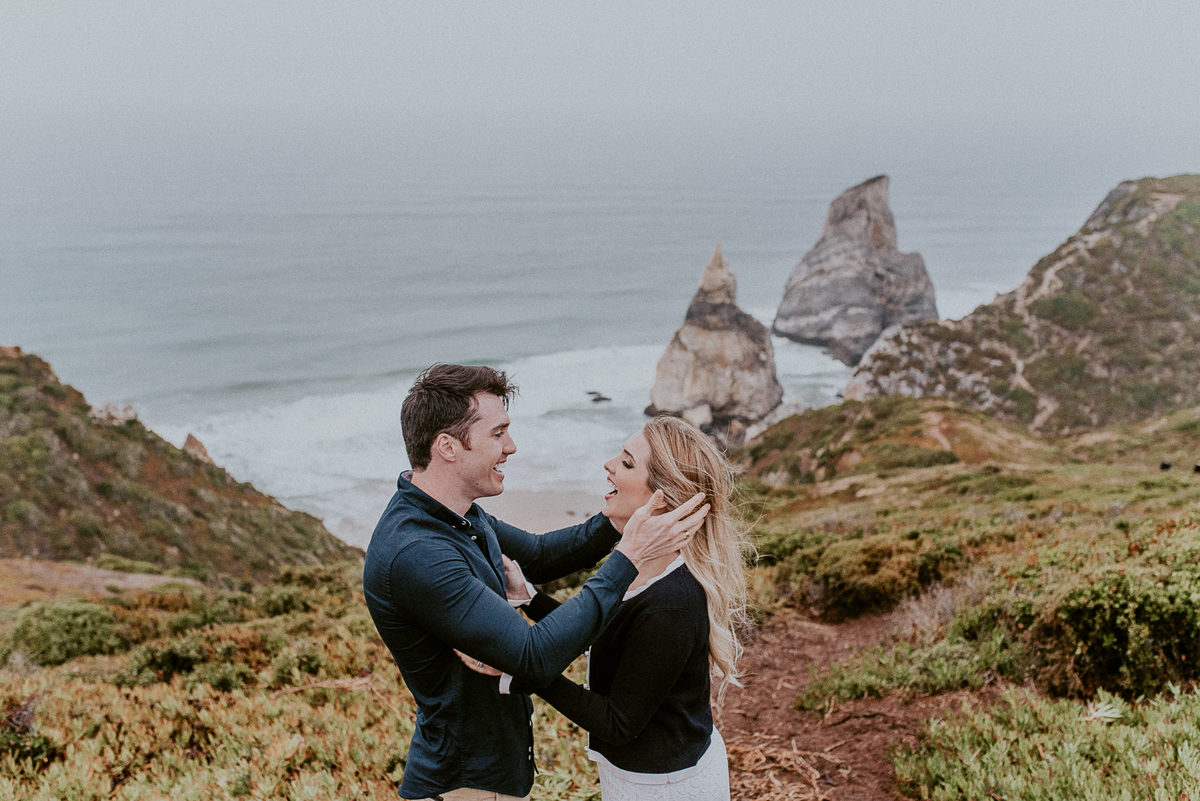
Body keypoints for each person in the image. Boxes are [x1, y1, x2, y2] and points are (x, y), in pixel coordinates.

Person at [362, 364, 708, 801]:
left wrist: (623, 516)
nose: (511, 446)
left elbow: (542, 555)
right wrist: (628, 556)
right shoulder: (419, 553)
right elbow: (533, 656)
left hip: (493, 773)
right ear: (447, 446)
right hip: (465, 784)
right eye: (497, 434)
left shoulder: (460, 515)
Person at [463, 415, 751, 801]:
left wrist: (523, 668)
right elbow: (607, 633)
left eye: (627, 462)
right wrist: (529, 598)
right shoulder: (640, 568)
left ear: (661, 497)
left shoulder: (672, 604)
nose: (609, 464)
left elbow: (617, 723)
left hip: (666, 787)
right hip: (640, 774)